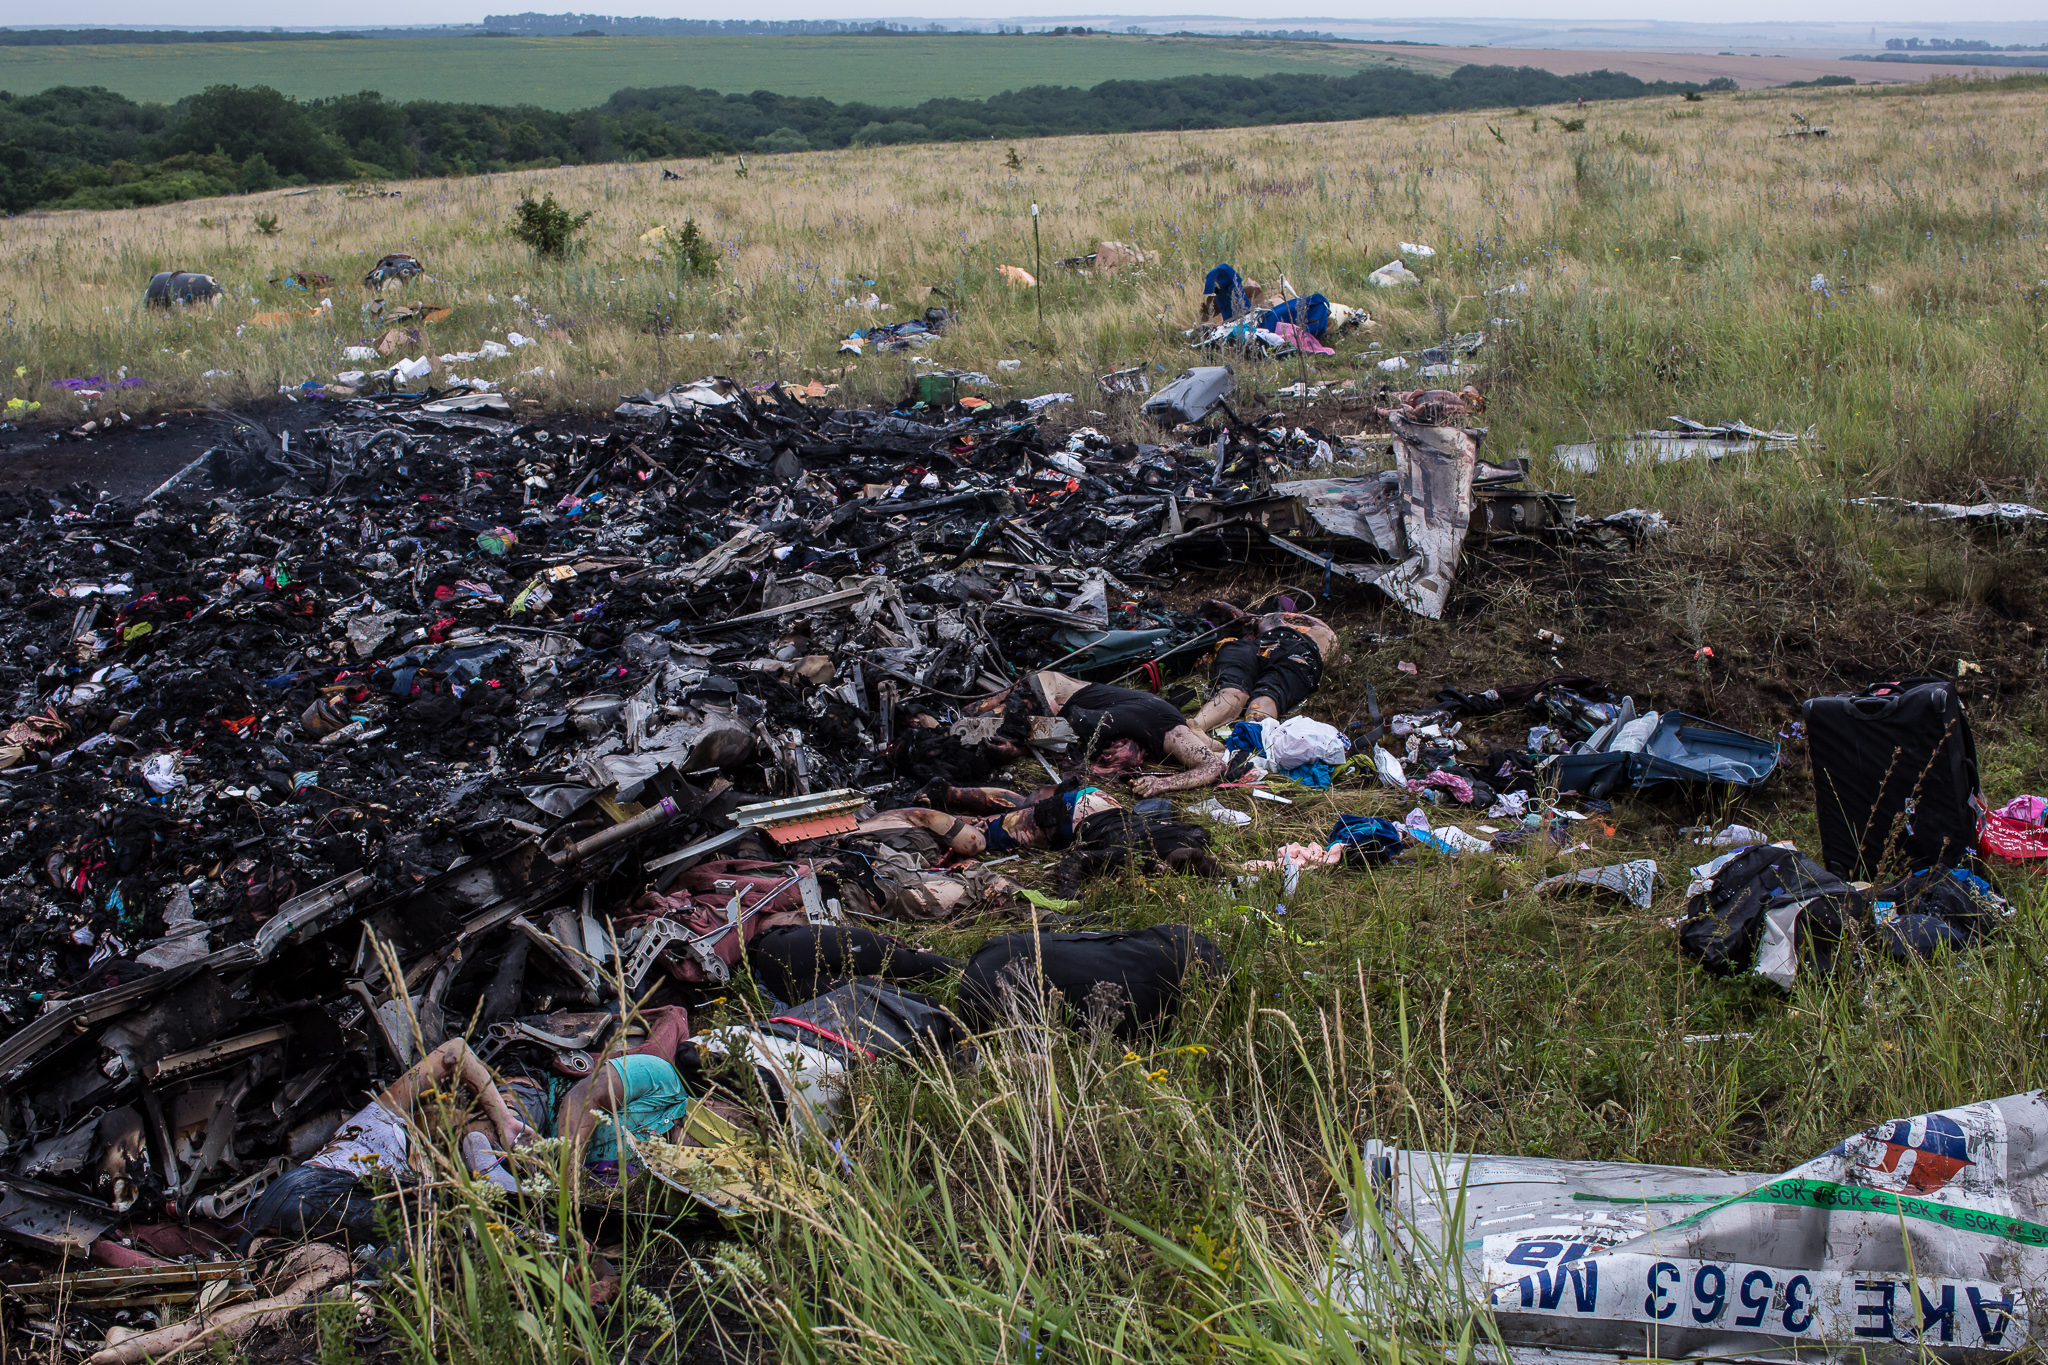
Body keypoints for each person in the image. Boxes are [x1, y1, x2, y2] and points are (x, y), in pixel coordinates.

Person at [238, 1039, 534, 1250]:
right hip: (311, 1187)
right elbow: (456, 1050)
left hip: (281, 1220)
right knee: (440, 1220)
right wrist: (505, 1120)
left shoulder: (421, 1171)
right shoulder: (387, 1113)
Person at [1190, 606, 1338, 731]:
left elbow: (1243, 617)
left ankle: (1195, 727)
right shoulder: (1324, 632)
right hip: (1296, 652)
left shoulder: (1272, 618)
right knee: (1267, 697)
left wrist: (1222, 605)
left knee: (1232, 692)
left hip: (1258, 646)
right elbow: (1337, 660)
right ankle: (1246, 747)